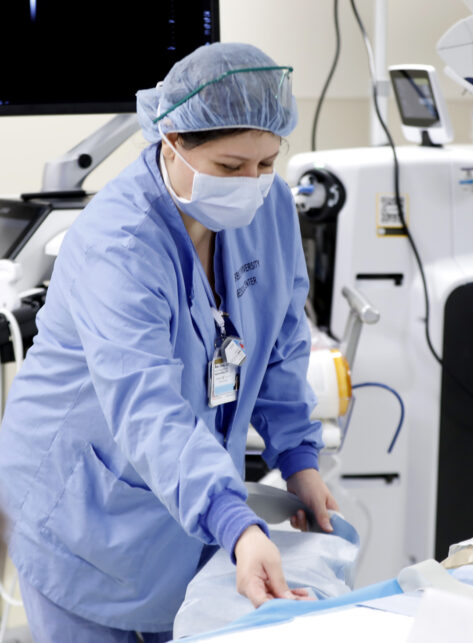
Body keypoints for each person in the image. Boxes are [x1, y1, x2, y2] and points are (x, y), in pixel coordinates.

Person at [0, 42, 338, 642]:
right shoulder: (121, 243)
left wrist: (299, 460)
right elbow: (146, 404)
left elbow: (282, 343)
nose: (252, 183)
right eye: (231, 167)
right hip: (83, 506)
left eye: (266, 163)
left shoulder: (270, 207)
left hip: (187, 495)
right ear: (173, 140)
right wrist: (235, 522)